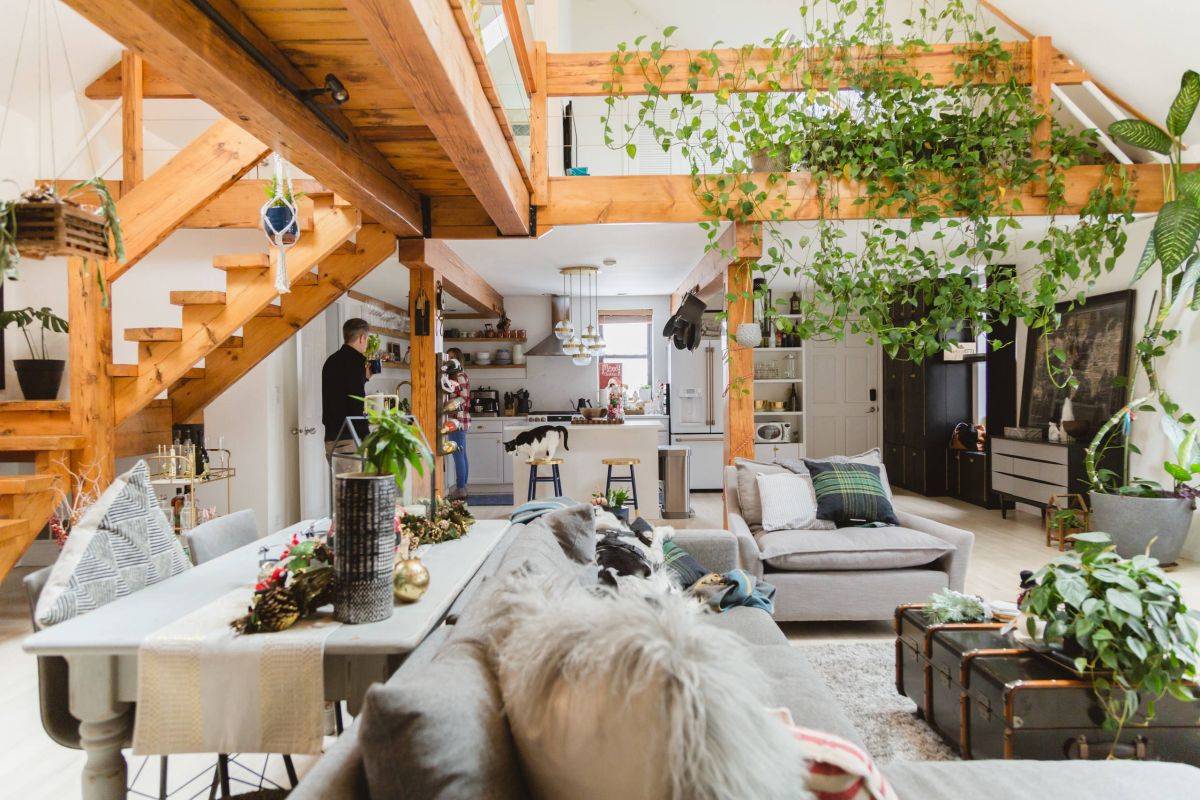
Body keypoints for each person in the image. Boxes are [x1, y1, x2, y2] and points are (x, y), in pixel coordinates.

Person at [322, 317, 371, 459]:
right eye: (367, 339)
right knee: (357, 481)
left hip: (331, 437)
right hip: (350, 436)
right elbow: (356, 401)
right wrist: (367, 437)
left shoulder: (331, 361)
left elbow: (340, 391)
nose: (366, 343)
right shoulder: (356, 362)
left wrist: (365, 378)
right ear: (362, 338)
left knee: (339, 481)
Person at [445, 347, 470, 500]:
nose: (450, 361)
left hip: (458, 420)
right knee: (461, 454)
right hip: (459, 419)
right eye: (448, 358)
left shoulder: (460, 376)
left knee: (458, 455)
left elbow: (463, 399)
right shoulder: (453, 376)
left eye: (453, 358)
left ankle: (461, 488)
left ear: (458, 360)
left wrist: (450, 407)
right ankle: (463, 487)